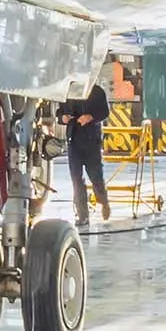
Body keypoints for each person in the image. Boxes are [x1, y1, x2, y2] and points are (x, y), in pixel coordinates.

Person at [59, 83, 111, 228]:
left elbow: (105, 112)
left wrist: (90, 117)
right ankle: (83, 215)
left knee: (95, 176)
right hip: (73, 140)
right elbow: (59, 111)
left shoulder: (97, 91)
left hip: (91, 140)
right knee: (76, 178)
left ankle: (103, 200)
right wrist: (62, 118)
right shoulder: (67, 92)